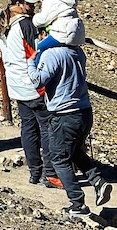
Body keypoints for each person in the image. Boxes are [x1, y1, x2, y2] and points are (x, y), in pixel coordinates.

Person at [27, 42, 112, 219]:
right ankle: (98, 181)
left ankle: (77, 203)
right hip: (84, 111)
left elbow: (38, 81)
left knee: (59, 158)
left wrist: (31, 63)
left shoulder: (52, 54)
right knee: (72, 151)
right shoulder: (77, 51)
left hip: (64, 114)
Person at [0, 0, 59, 188]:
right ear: (21, 5)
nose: (33, 7)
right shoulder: (26, 24)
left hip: (16, 86)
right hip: (32, 85)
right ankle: (50, 173)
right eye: (30, 4)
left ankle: (34, 172)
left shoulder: (5, 27)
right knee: (47, 128)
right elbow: (37, 51)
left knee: (28, 128)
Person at [33, 0, 86, 64]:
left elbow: (43, 19)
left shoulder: (51, 0)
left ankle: (37, 73)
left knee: (40, 47)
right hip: (77, 33)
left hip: (63, 33)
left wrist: (35, 19)